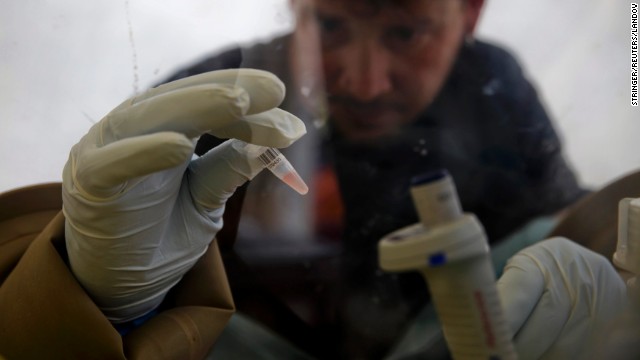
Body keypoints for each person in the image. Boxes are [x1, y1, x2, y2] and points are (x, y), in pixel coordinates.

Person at [159, 0, 588, 357]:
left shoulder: (492, 86)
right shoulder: (213, 102)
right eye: (329, 25)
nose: (366, 85)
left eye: (405, 34)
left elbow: (571, 226)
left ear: (470, 13)